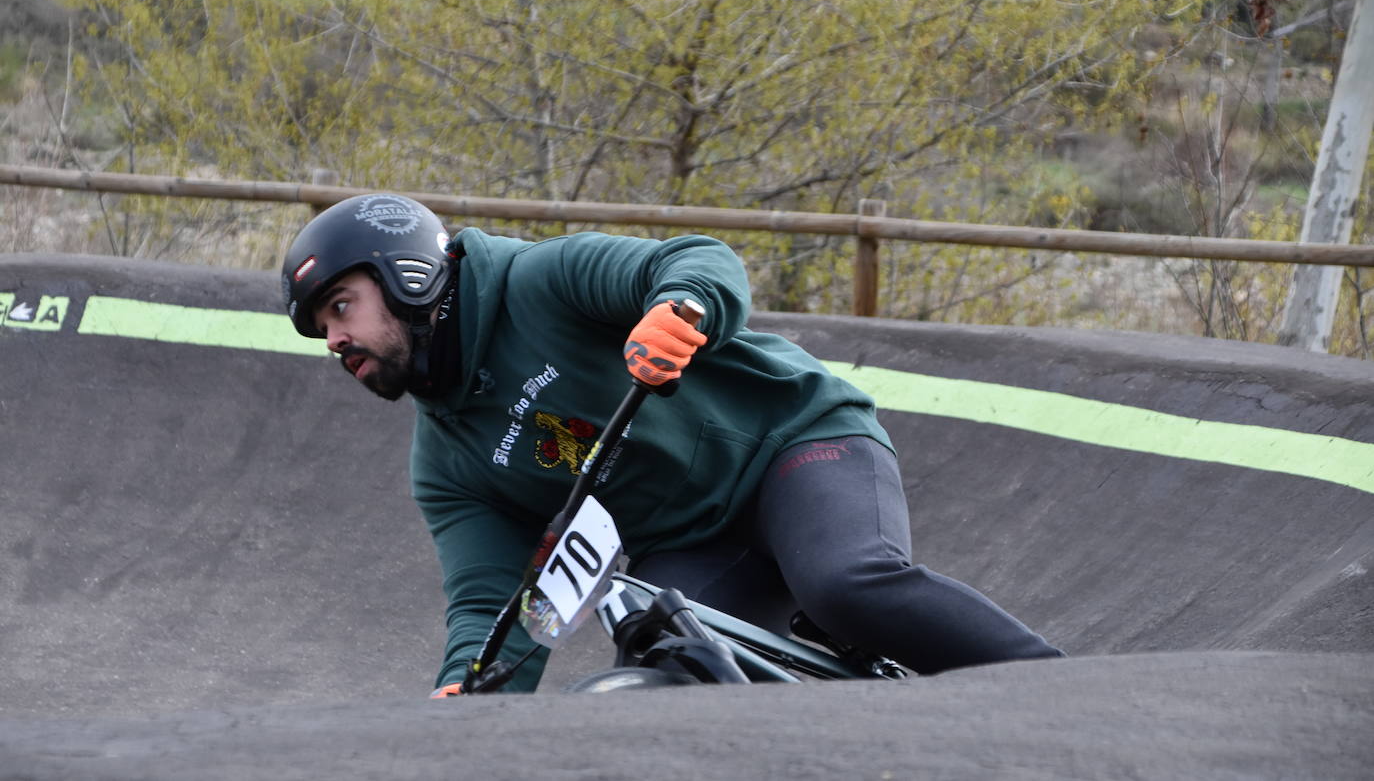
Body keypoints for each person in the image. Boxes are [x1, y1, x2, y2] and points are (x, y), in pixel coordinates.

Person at [281, 193, 1063, 695]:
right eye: (323, 328)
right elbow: (500, 603)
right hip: (693, 540)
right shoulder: (447, 463)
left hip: (793, 442)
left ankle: (1075, 696)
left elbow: (694, 260)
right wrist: (469, 701)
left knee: (844, 584)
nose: (335, 338)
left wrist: (682, 308)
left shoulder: (541, 280)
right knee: (664, 683)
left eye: (342, 307)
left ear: (411, 275)